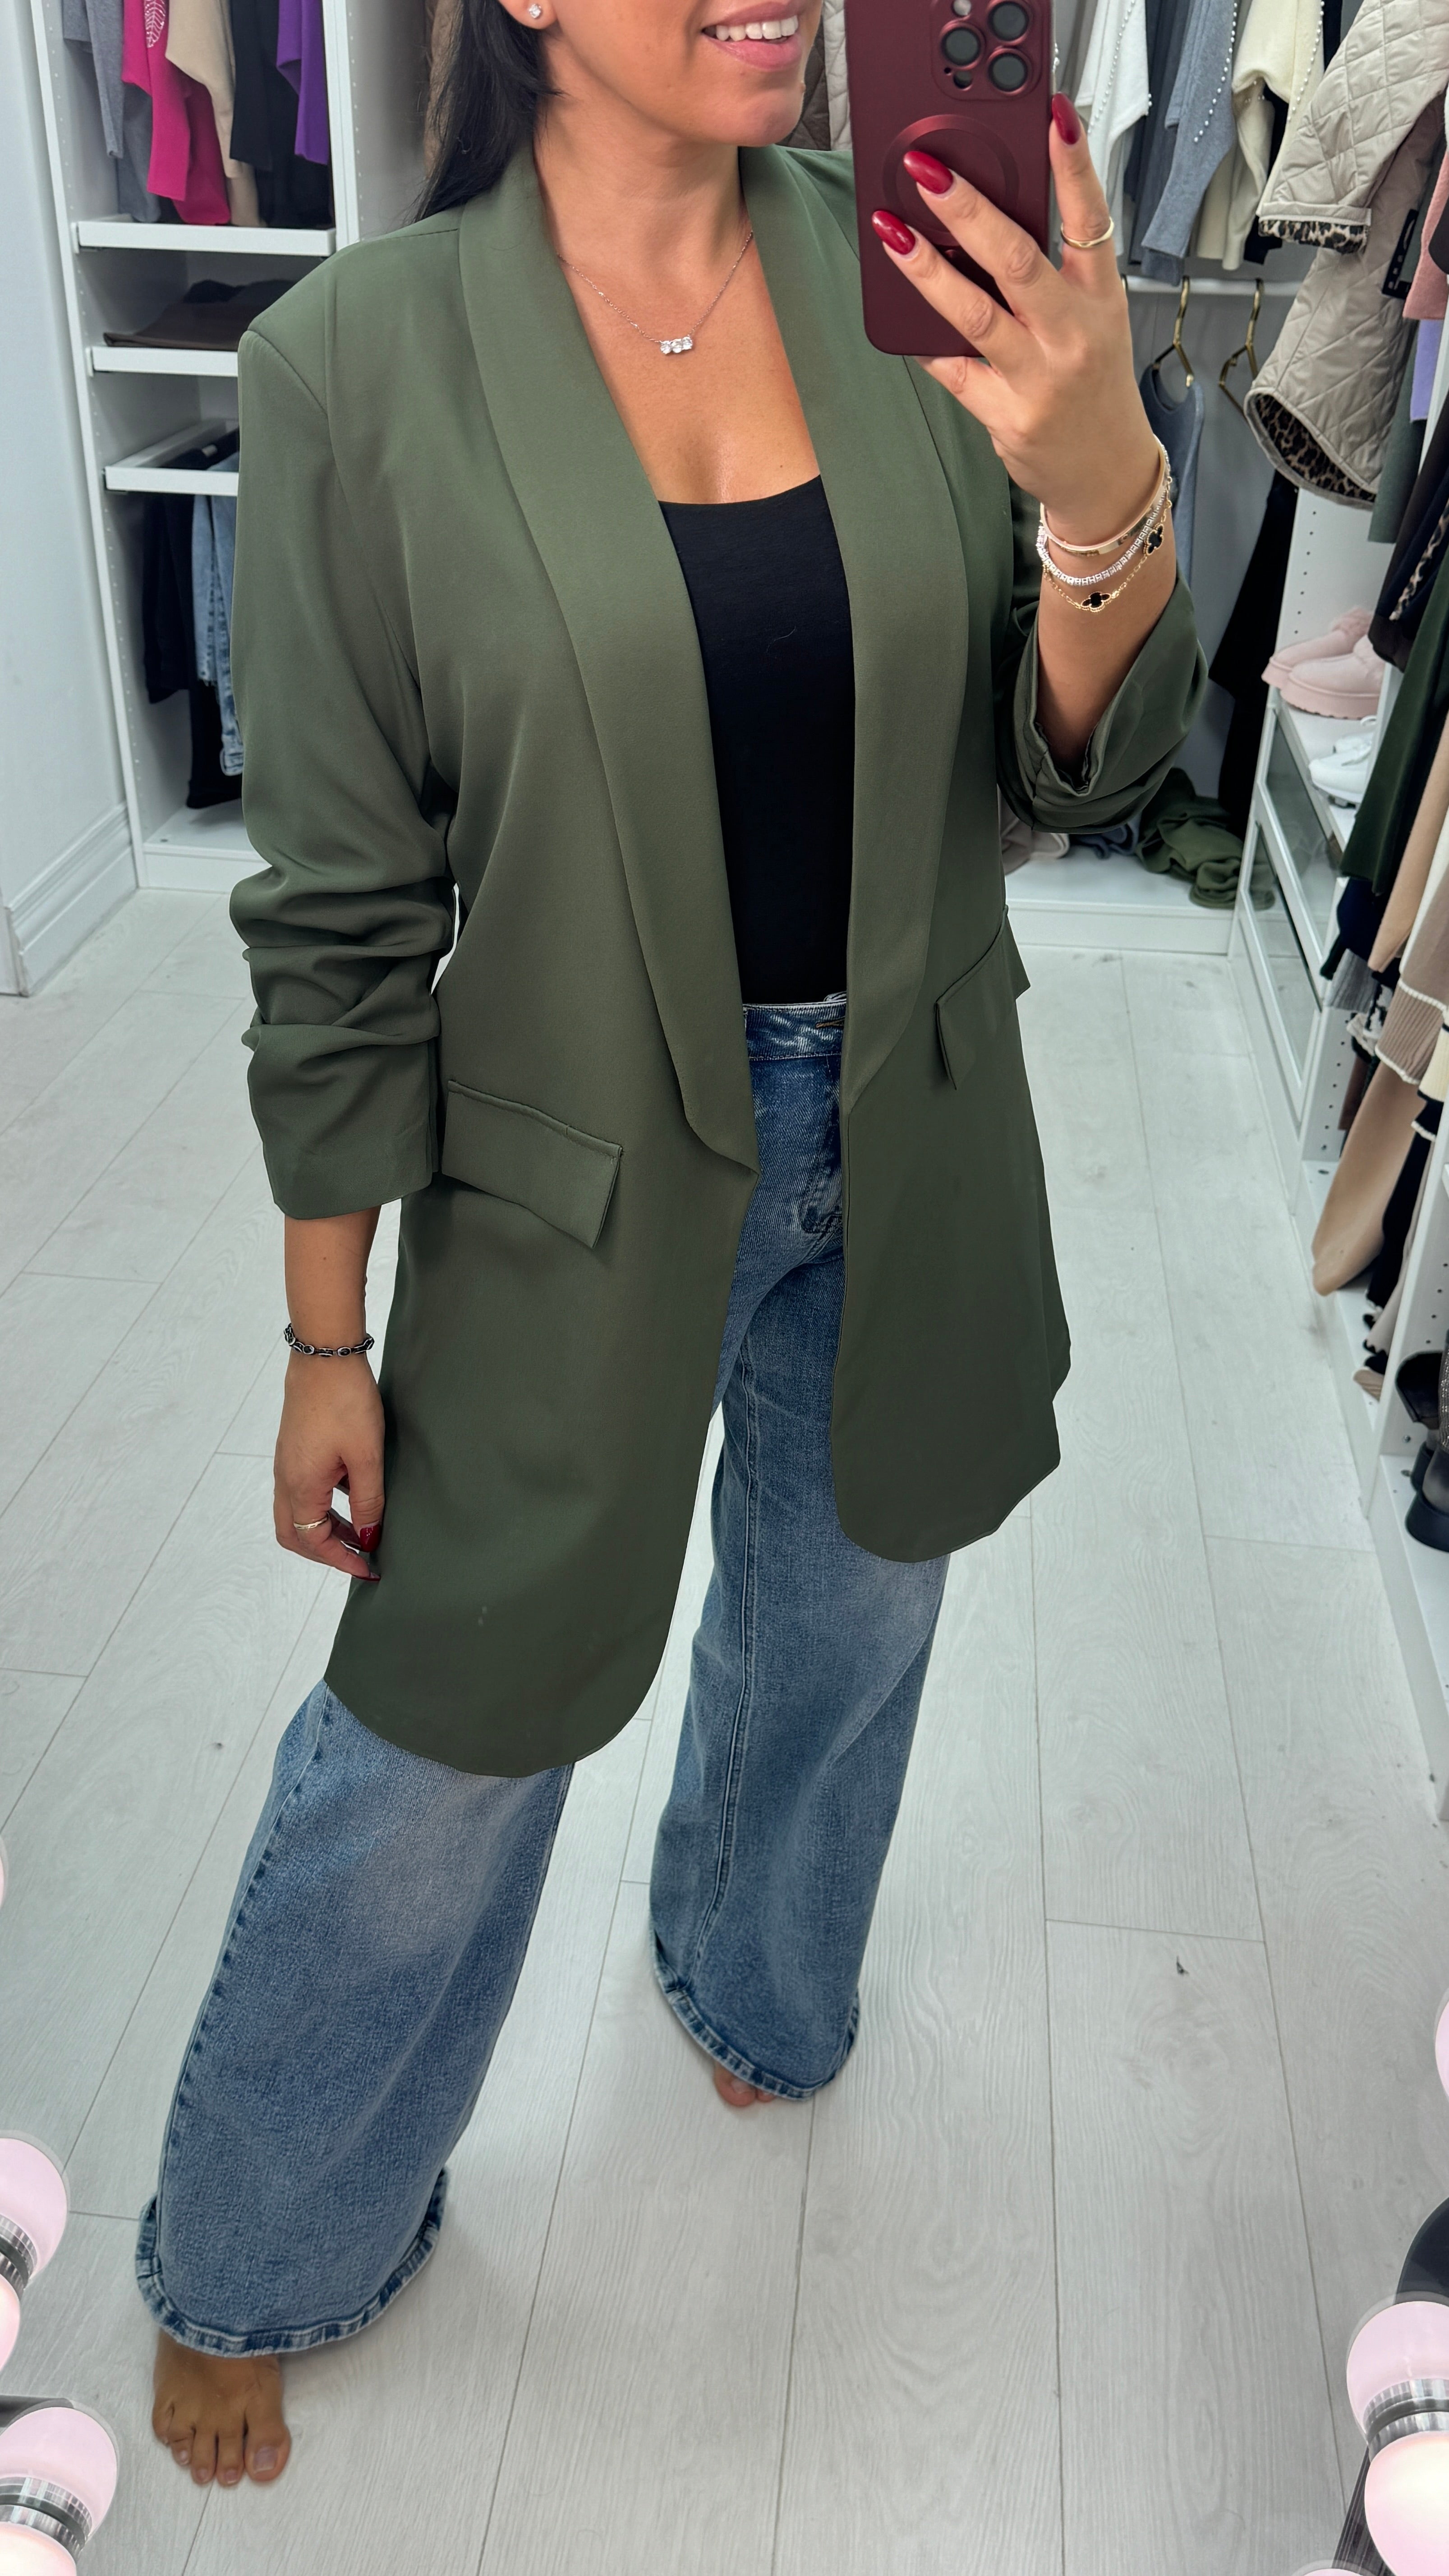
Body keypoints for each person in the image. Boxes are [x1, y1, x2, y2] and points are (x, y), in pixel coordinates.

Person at [142, 0, 1203, 2491]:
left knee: (851, 1620)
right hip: (569, 1171)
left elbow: (1074, 768)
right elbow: (339, 920)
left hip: (915, 1125)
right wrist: (324, 1336)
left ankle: (751, 1969)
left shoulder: (923, 277)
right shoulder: (357, 370)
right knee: (445, 1738)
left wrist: (1102, 491)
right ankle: (262, 2237)